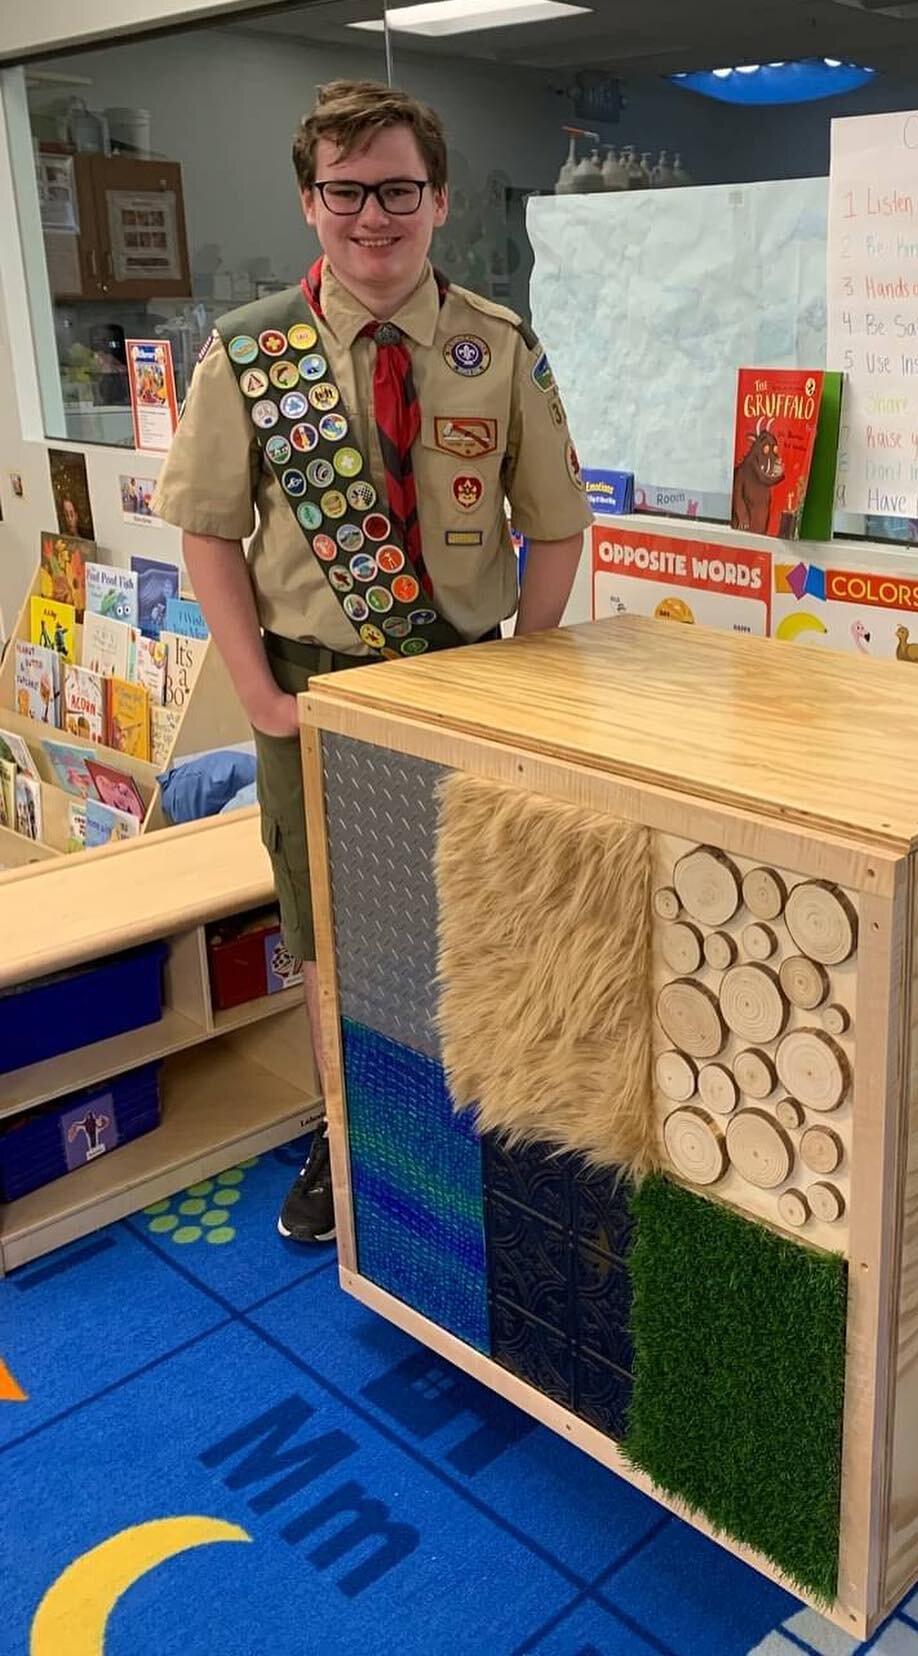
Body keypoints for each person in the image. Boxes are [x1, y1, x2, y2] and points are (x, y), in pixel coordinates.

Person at [153, 80, 591, 1242]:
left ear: (439, 200)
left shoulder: (496, 349)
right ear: (311, 202)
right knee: (326, 927)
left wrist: (531, 675)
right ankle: (343, 1130)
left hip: (464, 681)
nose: (373, 217)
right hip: (313, 686)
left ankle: (475, 1113)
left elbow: (554, 526)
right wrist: (256, 695)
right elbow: (207, 531)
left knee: (475, 911)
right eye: (346, 192)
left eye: (398, 189)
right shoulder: (252, 355)